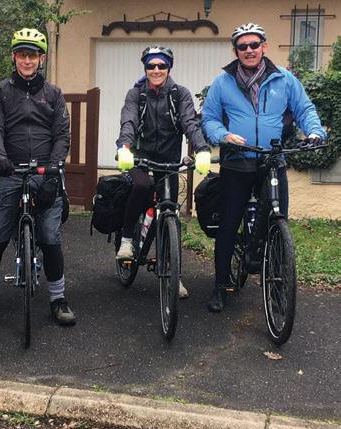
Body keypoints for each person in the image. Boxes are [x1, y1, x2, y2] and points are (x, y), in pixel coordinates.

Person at [201, 22, 326, 313]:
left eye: (254, 45)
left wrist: (314, 131)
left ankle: (278, 286)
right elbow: (209, 118)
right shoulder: (223, 82)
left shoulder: (284, 79)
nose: (249, 50)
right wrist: (223, 135)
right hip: (237, 162)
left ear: (264, 47)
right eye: (242, 46)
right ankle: (220, 285)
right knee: (229, 224)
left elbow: (304, 109)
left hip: (272, 160)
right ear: (236, 51)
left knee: (277, 221)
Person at [0, 27, 76, 328]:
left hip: (45, 171)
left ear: (41, 59)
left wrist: (53, 171)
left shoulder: (54, 94)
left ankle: (58, 299)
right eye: (22, 54)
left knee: (49, 237)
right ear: (14, 57)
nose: (27, 60)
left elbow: (62, 135)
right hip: (9, 170)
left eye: (32, 55)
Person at [115, 45, 212, 298]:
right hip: (140, 157)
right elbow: (129, 120)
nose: (156, 70)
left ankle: (173, 275)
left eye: (161, 65)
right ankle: (127, 239)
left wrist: (202, 149)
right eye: (151, 65)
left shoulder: (179, 94)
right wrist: (124, 147)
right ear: (145, 68)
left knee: (171, 214)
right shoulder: (136, 94)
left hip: (168, 160)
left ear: (169, 68)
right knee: (141, 186)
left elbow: (189, 122)